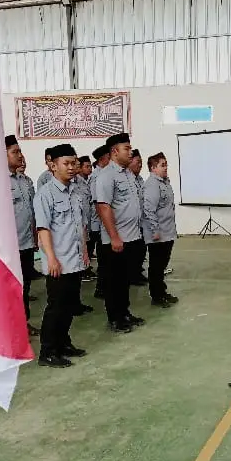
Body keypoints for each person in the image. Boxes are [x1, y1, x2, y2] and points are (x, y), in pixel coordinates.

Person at [33, 144, 89, 367]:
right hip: (58, 261)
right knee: (55, 308)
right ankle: (47, 352)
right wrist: (51, 258)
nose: (71, 167)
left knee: (69, 306)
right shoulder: (45, 194)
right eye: (66, 163)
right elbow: (43, 228)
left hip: (75, 259)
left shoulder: (76, 191)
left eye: (74, 163)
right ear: (53, 166)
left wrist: (85, 251)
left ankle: (63, 343)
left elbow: (80, 225)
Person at [95, 133, 145, 333]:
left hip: (132, 237)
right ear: (115, 151)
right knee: (114, 281)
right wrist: (114, 237)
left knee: (124, 280)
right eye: (127, 148)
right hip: (116, 240)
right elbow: (103, 207)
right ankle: (115, 318)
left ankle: (124, 313)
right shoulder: (106, 175)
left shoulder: (128, 174)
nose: (130, 152)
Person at [6, 135, 40, 338]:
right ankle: (7, 328)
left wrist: (35, 237)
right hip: (8, 247)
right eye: (15, 152)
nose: (20, 155)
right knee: (8, 290)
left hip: (26, 243)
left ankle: (22, 324)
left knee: (24, 287)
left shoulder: (25, 181)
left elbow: (31, 212)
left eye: (20, 151)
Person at [142, 152, 178, 307]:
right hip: (158, 234)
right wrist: (154, 230)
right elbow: (148, 210)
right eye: (162, 165)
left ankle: (162, 292)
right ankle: (156, 296)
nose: (165, 168)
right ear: (153, 167)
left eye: (166, 164)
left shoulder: (164, 182)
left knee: (162, 265)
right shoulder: (152, 185)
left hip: (167, 232)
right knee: (156, 267)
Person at [89, 145, 112, 298]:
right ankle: (101, 289)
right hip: (99, 225)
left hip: (104, 225)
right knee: (104, 259)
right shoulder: (97, 177)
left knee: (107, 259)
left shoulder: (105, 175)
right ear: (103, 159)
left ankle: (105, 286)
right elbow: (98, 204)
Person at [129, 149, 148, 285]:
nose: (140, 165)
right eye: (138, 162)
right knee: (133, 251)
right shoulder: (127, 179)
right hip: (131, 223)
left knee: (141, 249)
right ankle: (132, 275)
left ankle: (137, 272)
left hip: (141, 221)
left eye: (141, 162)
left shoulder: (140, 179)